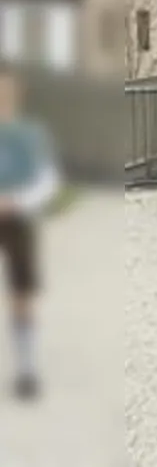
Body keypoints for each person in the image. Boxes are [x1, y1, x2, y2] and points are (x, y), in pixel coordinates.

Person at [0, 67, 62, 399]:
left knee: (21, 292)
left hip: (17, 217)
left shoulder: (31, 134)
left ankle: (26, 368)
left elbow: (47, 180)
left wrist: (17, 201)